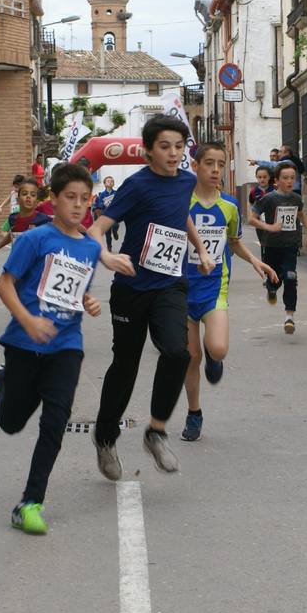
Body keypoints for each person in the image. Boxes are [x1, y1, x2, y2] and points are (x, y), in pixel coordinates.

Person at [0, 163, 104, 535]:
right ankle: (4, 382)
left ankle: (30, 502)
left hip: (66, 345)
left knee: (55, 422)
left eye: (85, 199)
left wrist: (89, 301)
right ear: (54, 199)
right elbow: (5, 284)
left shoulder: (91, 248)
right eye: (71, 198)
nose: (78, 205)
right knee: (11, 422)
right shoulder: (36, 238)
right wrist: (29, 320)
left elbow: (72, 291)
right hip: (23, 343)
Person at [87, 115, 214, 480]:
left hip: (171, 284)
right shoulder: (136, 186)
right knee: (125, 367)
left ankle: (156, 431)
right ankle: (105, 437)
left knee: (178, 352)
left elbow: (181, 215)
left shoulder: (187, 181)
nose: (174, 153)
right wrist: (108, 256)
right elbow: (97, 228)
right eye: (165, 147)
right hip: (131, 288)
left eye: (179, 146)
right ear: (148, 151)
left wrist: (201, 249)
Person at [180, 143, 277, 442]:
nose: (215, 170)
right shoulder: (180, 202)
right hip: (180, 289)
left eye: (220, 164)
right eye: (209, 163)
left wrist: (255, 260)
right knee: (189, 357)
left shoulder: (230, 206)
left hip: (214, 288)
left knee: (217, 349)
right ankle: (194, 413)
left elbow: (233, 242)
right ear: (195, 167)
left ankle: (214, 356)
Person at [248, 163, 305, 334]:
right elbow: (252, 219)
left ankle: (289, 317)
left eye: (292, 178)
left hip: (290, 245)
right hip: (271, 245)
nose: (289, 181)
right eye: (285, 178)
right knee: (273, 279)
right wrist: (269, 227)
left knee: (290, 277)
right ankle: (272, 290)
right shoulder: (269, 198)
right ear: (277, 181)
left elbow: (301, 213)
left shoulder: (296, 198)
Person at [0, 179, 49, 258]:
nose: (28, 197)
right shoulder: (13, 218)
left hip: (34, 262)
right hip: (16, 259)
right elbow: (12, 234)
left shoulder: (43, 219)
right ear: (18, 200)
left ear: (37, 202)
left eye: (33, 195)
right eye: (24, 194)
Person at [94, 176, 119, 251]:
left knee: (115, 225)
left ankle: (115, 232)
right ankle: (109, 246)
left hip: (114, 214)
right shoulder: (102, 194)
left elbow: (119, 202)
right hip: (105, 215)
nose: (110, 182)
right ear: (104, 184)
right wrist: (103, 204)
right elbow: (98, 204)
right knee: (108, 234)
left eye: (111, 181)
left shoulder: (116, 193)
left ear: (113, 183)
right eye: (108, 181)